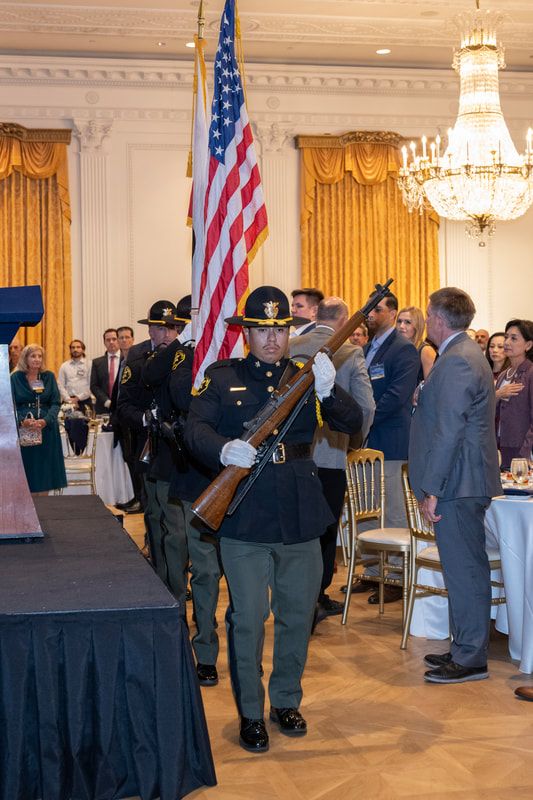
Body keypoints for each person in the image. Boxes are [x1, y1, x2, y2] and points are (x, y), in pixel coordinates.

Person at [185, 286, 363, 753]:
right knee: (248, 619)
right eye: (262, 329)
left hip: (300, 513)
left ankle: (285, 701)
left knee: (296, 616)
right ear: (247, 333)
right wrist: (222, 448)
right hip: (244, 516)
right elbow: (194, 428)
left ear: (289, 332)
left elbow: (354, 425)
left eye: (279, 329)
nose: (271, 339)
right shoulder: (222, 377)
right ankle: (250, 711)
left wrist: (329, 391)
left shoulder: (307, 378)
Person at [409, 287, 501, 684]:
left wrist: (433, 488)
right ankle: (464, 645)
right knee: (462, 569)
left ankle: (470, 658)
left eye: (429, 314)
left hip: (457, 483)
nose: (427, 320)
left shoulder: (458, 359)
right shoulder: (458, 354)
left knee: (464, 571)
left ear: (438, 318)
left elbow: (450, 430)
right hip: (460, 480)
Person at [142, 295, 222, 687]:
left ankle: (206, 647)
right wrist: (185, 347)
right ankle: (174, 629)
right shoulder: (177, 354)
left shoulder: (228, 354)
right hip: (180, 465)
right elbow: (167, 388)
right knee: (176, 553)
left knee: (207, 567)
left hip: (217, 471)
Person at [290, 297, 374, 623]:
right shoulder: (351, 352)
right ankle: (318, 596)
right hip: (330, 455)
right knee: (325, 531)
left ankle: (296, 594)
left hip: (293, 456)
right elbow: (366, 407)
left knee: (298, 528)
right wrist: (353, 443)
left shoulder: (292, 346)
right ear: (343, 321)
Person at [360, 291, 419, 604]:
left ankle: (395, 576)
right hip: (368, 442)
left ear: (393, 313)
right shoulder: (367, 348)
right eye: (369, 308)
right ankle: (373, 571)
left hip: (392, 441)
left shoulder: (403, 348)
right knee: (368, 509)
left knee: (394, 510)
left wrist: (364, 418)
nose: (370, 313)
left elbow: (397, 396)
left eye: (377, 308)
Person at [11, 344, 67, 495]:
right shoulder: (15, 378)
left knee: (45, 472)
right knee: (27, 471)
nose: (37, 359)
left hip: (46, 429)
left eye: (39, 356)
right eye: (33, 356)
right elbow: (9, 404)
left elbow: (55, 403)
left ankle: (44, 506)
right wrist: (22, 421)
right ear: (25, 358)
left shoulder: (48, 376)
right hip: (24, 430)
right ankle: (28, 506)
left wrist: (46, 421)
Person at [494, 319, 533, 469]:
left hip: (522, 449)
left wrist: (526, 451)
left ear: (528, 345)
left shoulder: (530, 373)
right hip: (501, 446)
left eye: (513, 338)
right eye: (506, 337)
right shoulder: (503, 375)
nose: (507, 342)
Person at [396, 305, 437, 381]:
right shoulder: (396, 349)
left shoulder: (426, 350)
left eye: (407, 322)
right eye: (399, 321)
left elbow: (432, 383)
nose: (401, 326)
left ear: (417, 326)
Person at [57, 339, 93, 414]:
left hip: (85, 401)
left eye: (78, 347)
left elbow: (91, 385)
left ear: (83, 350)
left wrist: (78, 398)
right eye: (73, 347)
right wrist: (69, 400)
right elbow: (60, 385)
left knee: (87, 421)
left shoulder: (90, 365)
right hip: (68, 402)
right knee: (66, 421)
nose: (75, 349)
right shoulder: (64, 366)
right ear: (70, 350)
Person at [90, 328, 120, 414]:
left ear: (118, 340)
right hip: (103, 407)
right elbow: (94, 386)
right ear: (104, 342)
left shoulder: (127, 360)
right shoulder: (97, 362)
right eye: (108, 340)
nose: (111, 342)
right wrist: (106, 402)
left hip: (123, 406)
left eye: (114, 339)